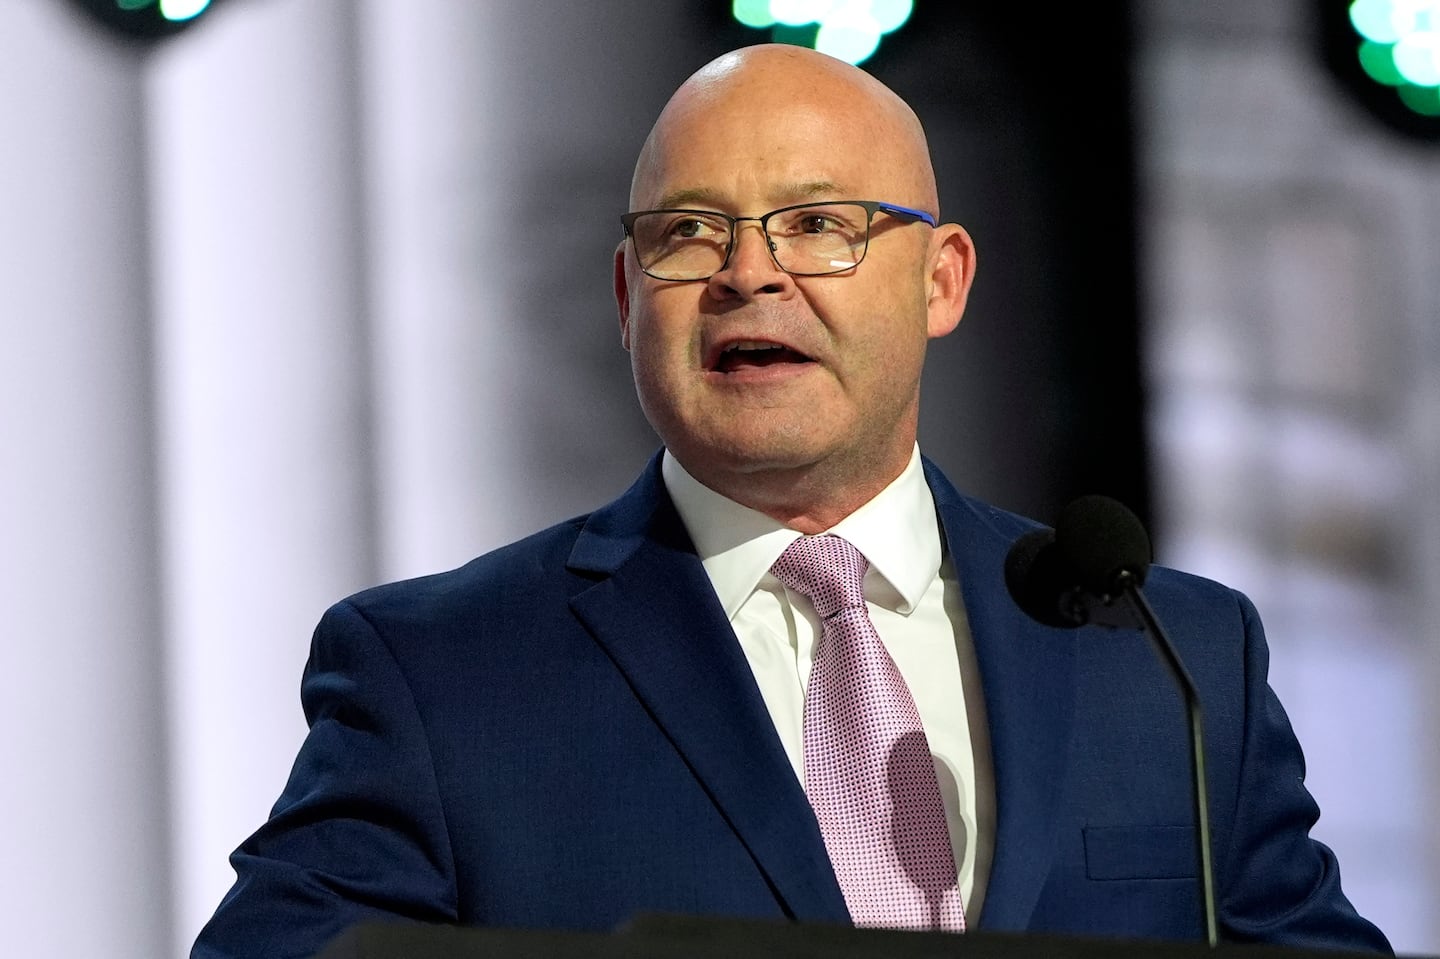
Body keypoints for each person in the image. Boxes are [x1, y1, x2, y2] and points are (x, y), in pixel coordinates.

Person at [192, 44, 1391, 958]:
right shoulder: (442, 673)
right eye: (690, 231)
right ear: (627, 295)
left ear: (942, 278)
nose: (748, 272)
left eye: (818, 224)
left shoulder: (1174, 658)